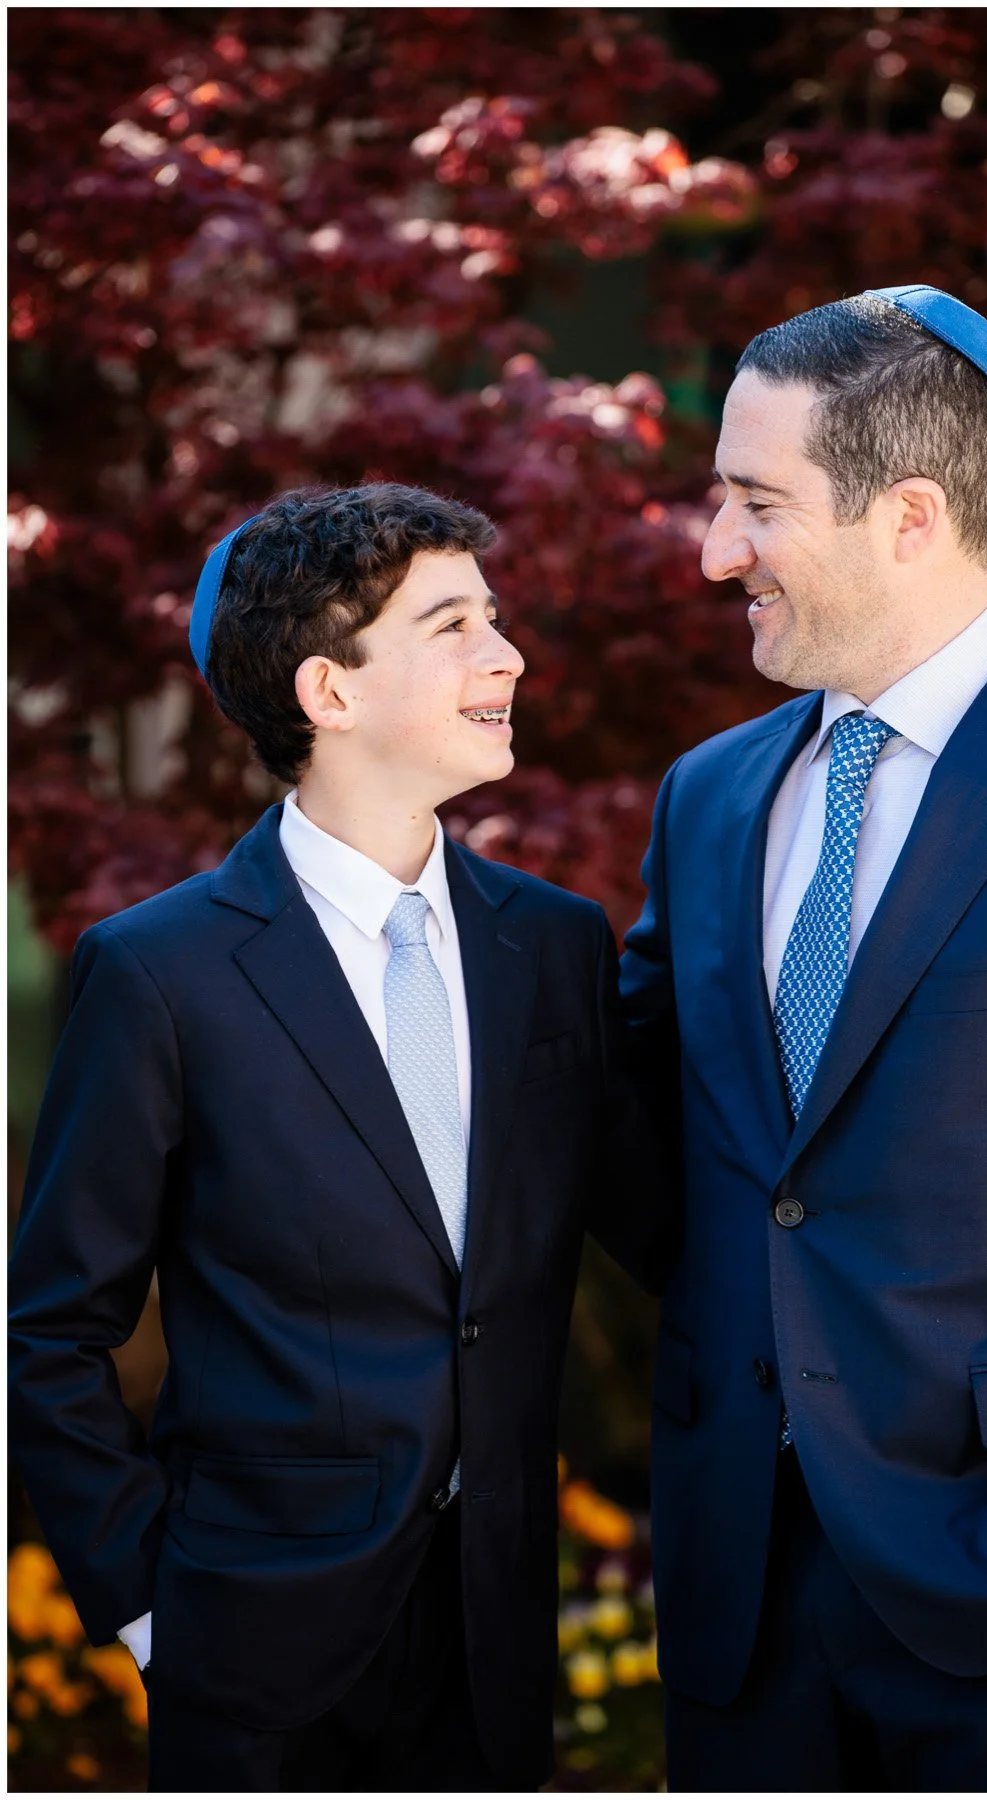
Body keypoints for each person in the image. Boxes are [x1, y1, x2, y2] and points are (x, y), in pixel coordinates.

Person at [8, 485, 672, 1789]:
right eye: (453, 625)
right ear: (331, 689)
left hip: (495, 1644)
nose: (508, 654)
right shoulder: (160, 976)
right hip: (251, 1655)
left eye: (497, 617)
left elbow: (672, 1234)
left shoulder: (554, 948)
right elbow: (53, 1330)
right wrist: (149, 1608)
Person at [620, 286, 987, 1790]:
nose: (713, 550)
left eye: (755, 503)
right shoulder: (708, 797)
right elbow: (644, 1157)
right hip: (740, 1597)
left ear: (913, 515)